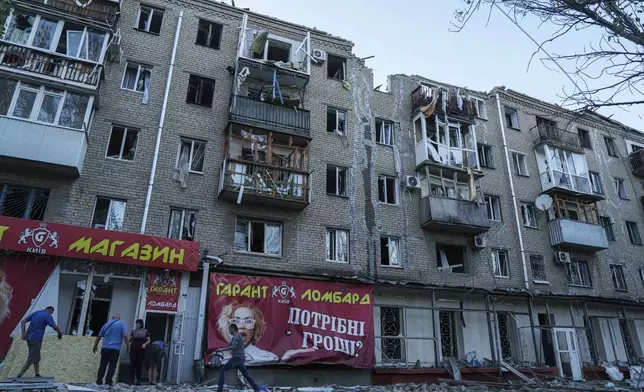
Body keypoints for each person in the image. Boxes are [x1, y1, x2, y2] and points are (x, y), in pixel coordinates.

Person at [215, 301, 315, 365]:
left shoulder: (268, 358)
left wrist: (284, 360)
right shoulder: (218, 357)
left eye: (248, 321)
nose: (241, 326)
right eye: (236, 321)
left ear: (255, 328)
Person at [16, 306, 62, 378]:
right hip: (36, 339)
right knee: (31, 358)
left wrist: (23, 334)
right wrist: (59, 333)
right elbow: (54, 327)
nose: (51, 314)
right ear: (50, 310)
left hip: (30, 338)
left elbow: (23, 321)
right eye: (52, 312)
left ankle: (37, 374)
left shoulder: (36, 313)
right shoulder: (47, 315)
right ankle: (19, 375)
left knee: (36, 356)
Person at [216, 323, 260, 392]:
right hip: (241, 358)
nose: (229, 331)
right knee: (246, 375)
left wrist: (221, 350)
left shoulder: (236, 336)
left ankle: (219, 389)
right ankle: (256, 389)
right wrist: (221, 349)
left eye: (230, 329)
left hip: (236, 358)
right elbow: (230, 345)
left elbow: (233, 346)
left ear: (233, 329)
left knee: (223, 370)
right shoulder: (238, 336)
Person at [93, 314, 128, 386]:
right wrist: (128, 346)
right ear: (119, 318)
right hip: (115, 349)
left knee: (103, 365)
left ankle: (99, 381)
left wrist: (95, 346)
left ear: (112, 318)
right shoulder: (121, 324)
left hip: (105, 348)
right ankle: (108, 382)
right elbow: (125, 336)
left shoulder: (106, 325)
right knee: (112, 366)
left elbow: (99, 336)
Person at [128, 319, 150, 385]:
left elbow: (149, 340)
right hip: (133, 349)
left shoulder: (145, 331)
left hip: (141, 349)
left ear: (141, 324)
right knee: (132, 364)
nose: (137, 325)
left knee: (139, 365)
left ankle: (138, 380)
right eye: (136, 323)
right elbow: (129, 339)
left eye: (138, 323)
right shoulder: (134, 331)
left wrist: (145, 344)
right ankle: (131, 380)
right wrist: (128, 345)